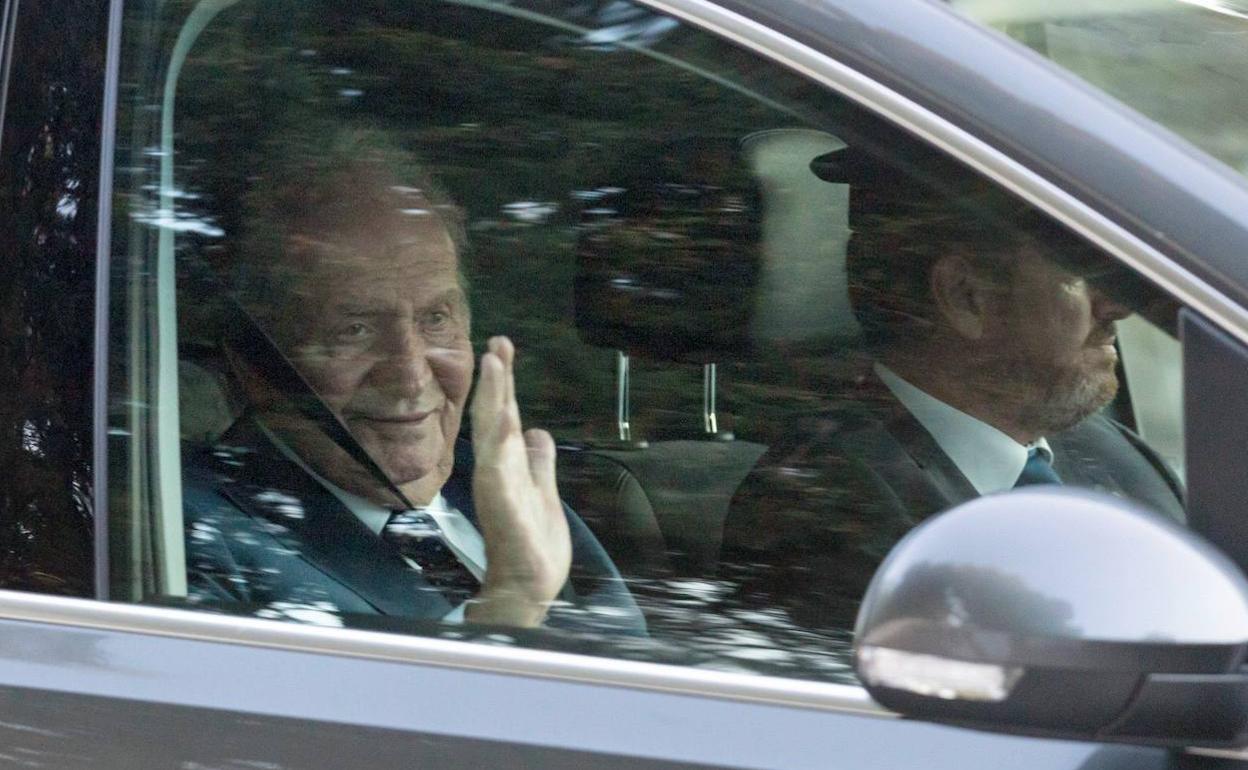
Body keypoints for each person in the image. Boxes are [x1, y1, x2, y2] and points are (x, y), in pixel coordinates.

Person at [182, 143, 643, 634]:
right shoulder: (193, 530)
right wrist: (506, 609)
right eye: (355, 329)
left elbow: (629, 656)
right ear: (254, 366)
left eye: (436, 319)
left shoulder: (499, 483)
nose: (411, 376)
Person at [721, 146, 1183, 633]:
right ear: (966, 297)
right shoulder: (826, 510)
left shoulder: (1122, 461)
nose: (1117, 306)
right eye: (1079, 274)